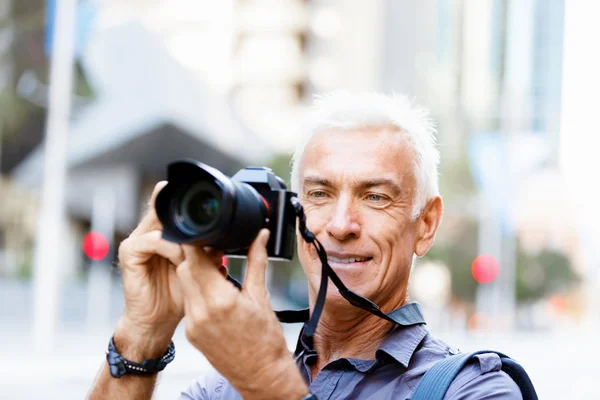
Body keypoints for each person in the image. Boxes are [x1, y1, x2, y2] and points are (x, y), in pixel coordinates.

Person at [88, 92, 522, 399]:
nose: (340, 224)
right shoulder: (224, 388)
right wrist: (141, 337)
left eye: (375, 197)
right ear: (291, 216)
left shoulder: (475, 389)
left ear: (425, 225)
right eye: (319, 194)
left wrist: (267, 382)